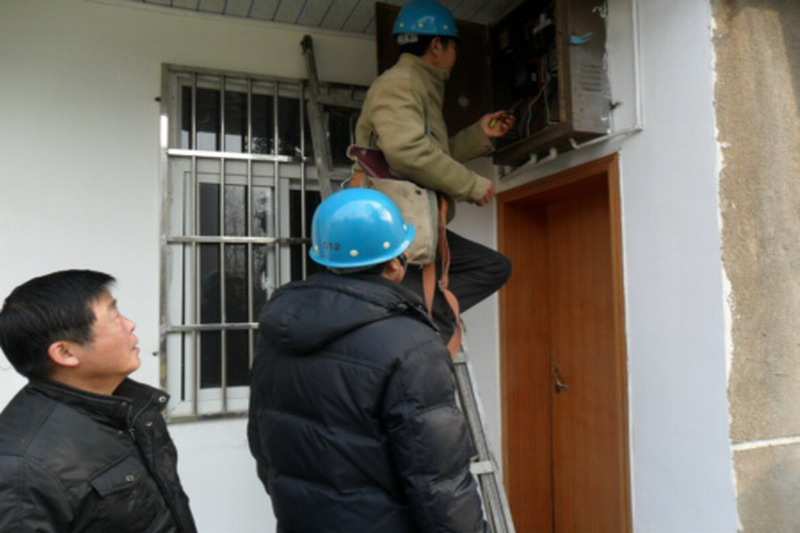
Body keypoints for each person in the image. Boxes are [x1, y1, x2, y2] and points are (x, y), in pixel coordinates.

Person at [248, 189, 486, 533]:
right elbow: (439, 483)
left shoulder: (276, 331)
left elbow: (262, 445)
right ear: (395, 263)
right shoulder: (412, 345)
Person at [352, 0, 515, 342]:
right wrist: (471, 185)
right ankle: (418, 320)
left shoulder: (420, 84)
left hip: (415, 220)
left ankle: (423, 316)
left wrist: (480, 135)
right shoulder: (402, 82)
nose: (455, 55)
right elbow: (407, 153)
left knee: (493, 267)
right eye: (454, 46)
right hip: (396, 225)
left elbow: (429, 154)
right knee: (485, 270)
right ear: (437, 45)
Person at [0, 270, 197, 533]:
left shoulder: (130, 408)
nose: (130, 325)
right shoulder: (22, 468)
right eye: (114, 318)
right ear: (65, 352)